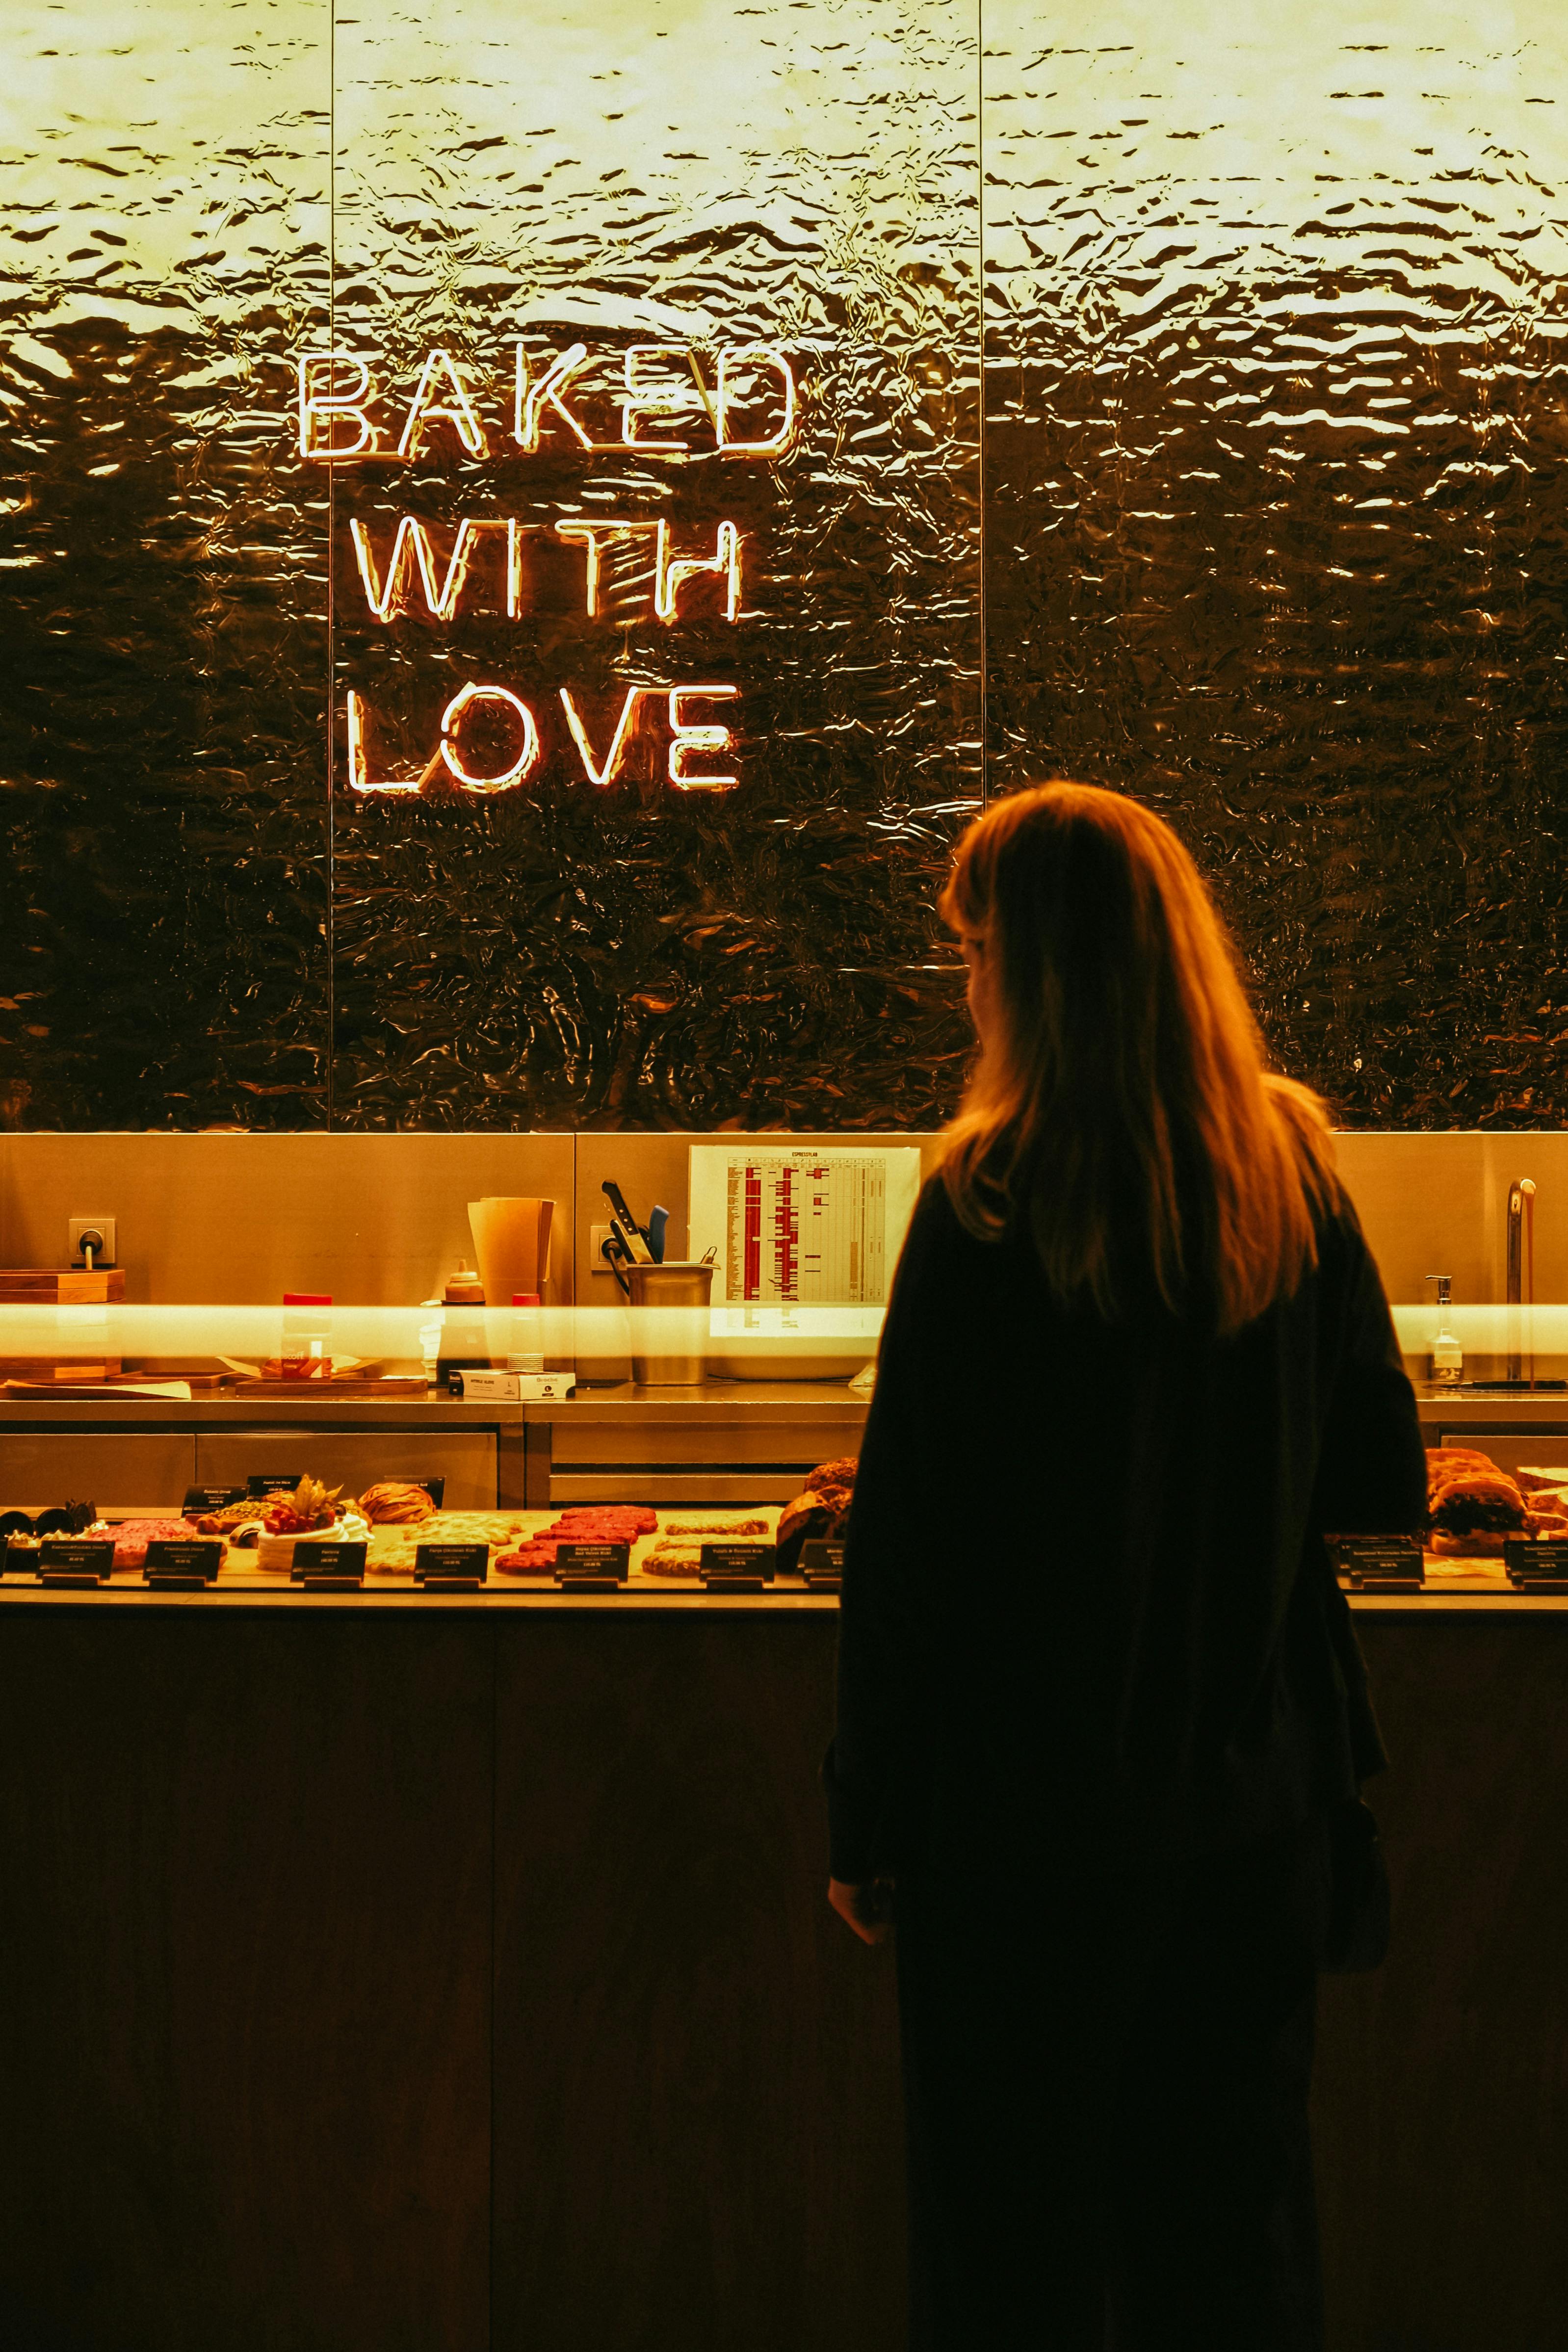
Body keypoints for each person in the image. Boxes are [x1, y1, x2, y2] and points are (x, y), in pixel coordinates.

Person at [823, 784, 1425, 2351]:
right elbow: (1377, 1473)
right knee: (1231, 2254)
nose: (963, 985)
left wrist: (863, 1813)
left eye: (971, 952)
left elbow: (906, 1554)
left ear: (1029, 971)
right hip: (1250, 1822)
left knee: (1010, 2265)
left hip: (1019, 1839)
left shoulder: (982, 1198)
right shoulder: (1286, 1167)